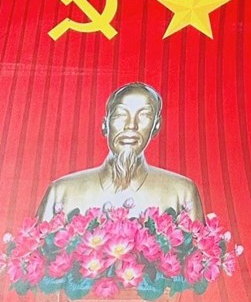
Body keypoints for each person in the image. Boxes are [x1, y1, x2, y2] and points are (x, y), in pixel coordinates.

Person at [38, 81, 204, 221]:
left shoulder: (182, 193)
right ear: (105, 124)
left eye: (144, 115)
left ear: (156, 126)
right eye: (120, 115)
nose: (131, 125)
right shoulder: (61, 191)